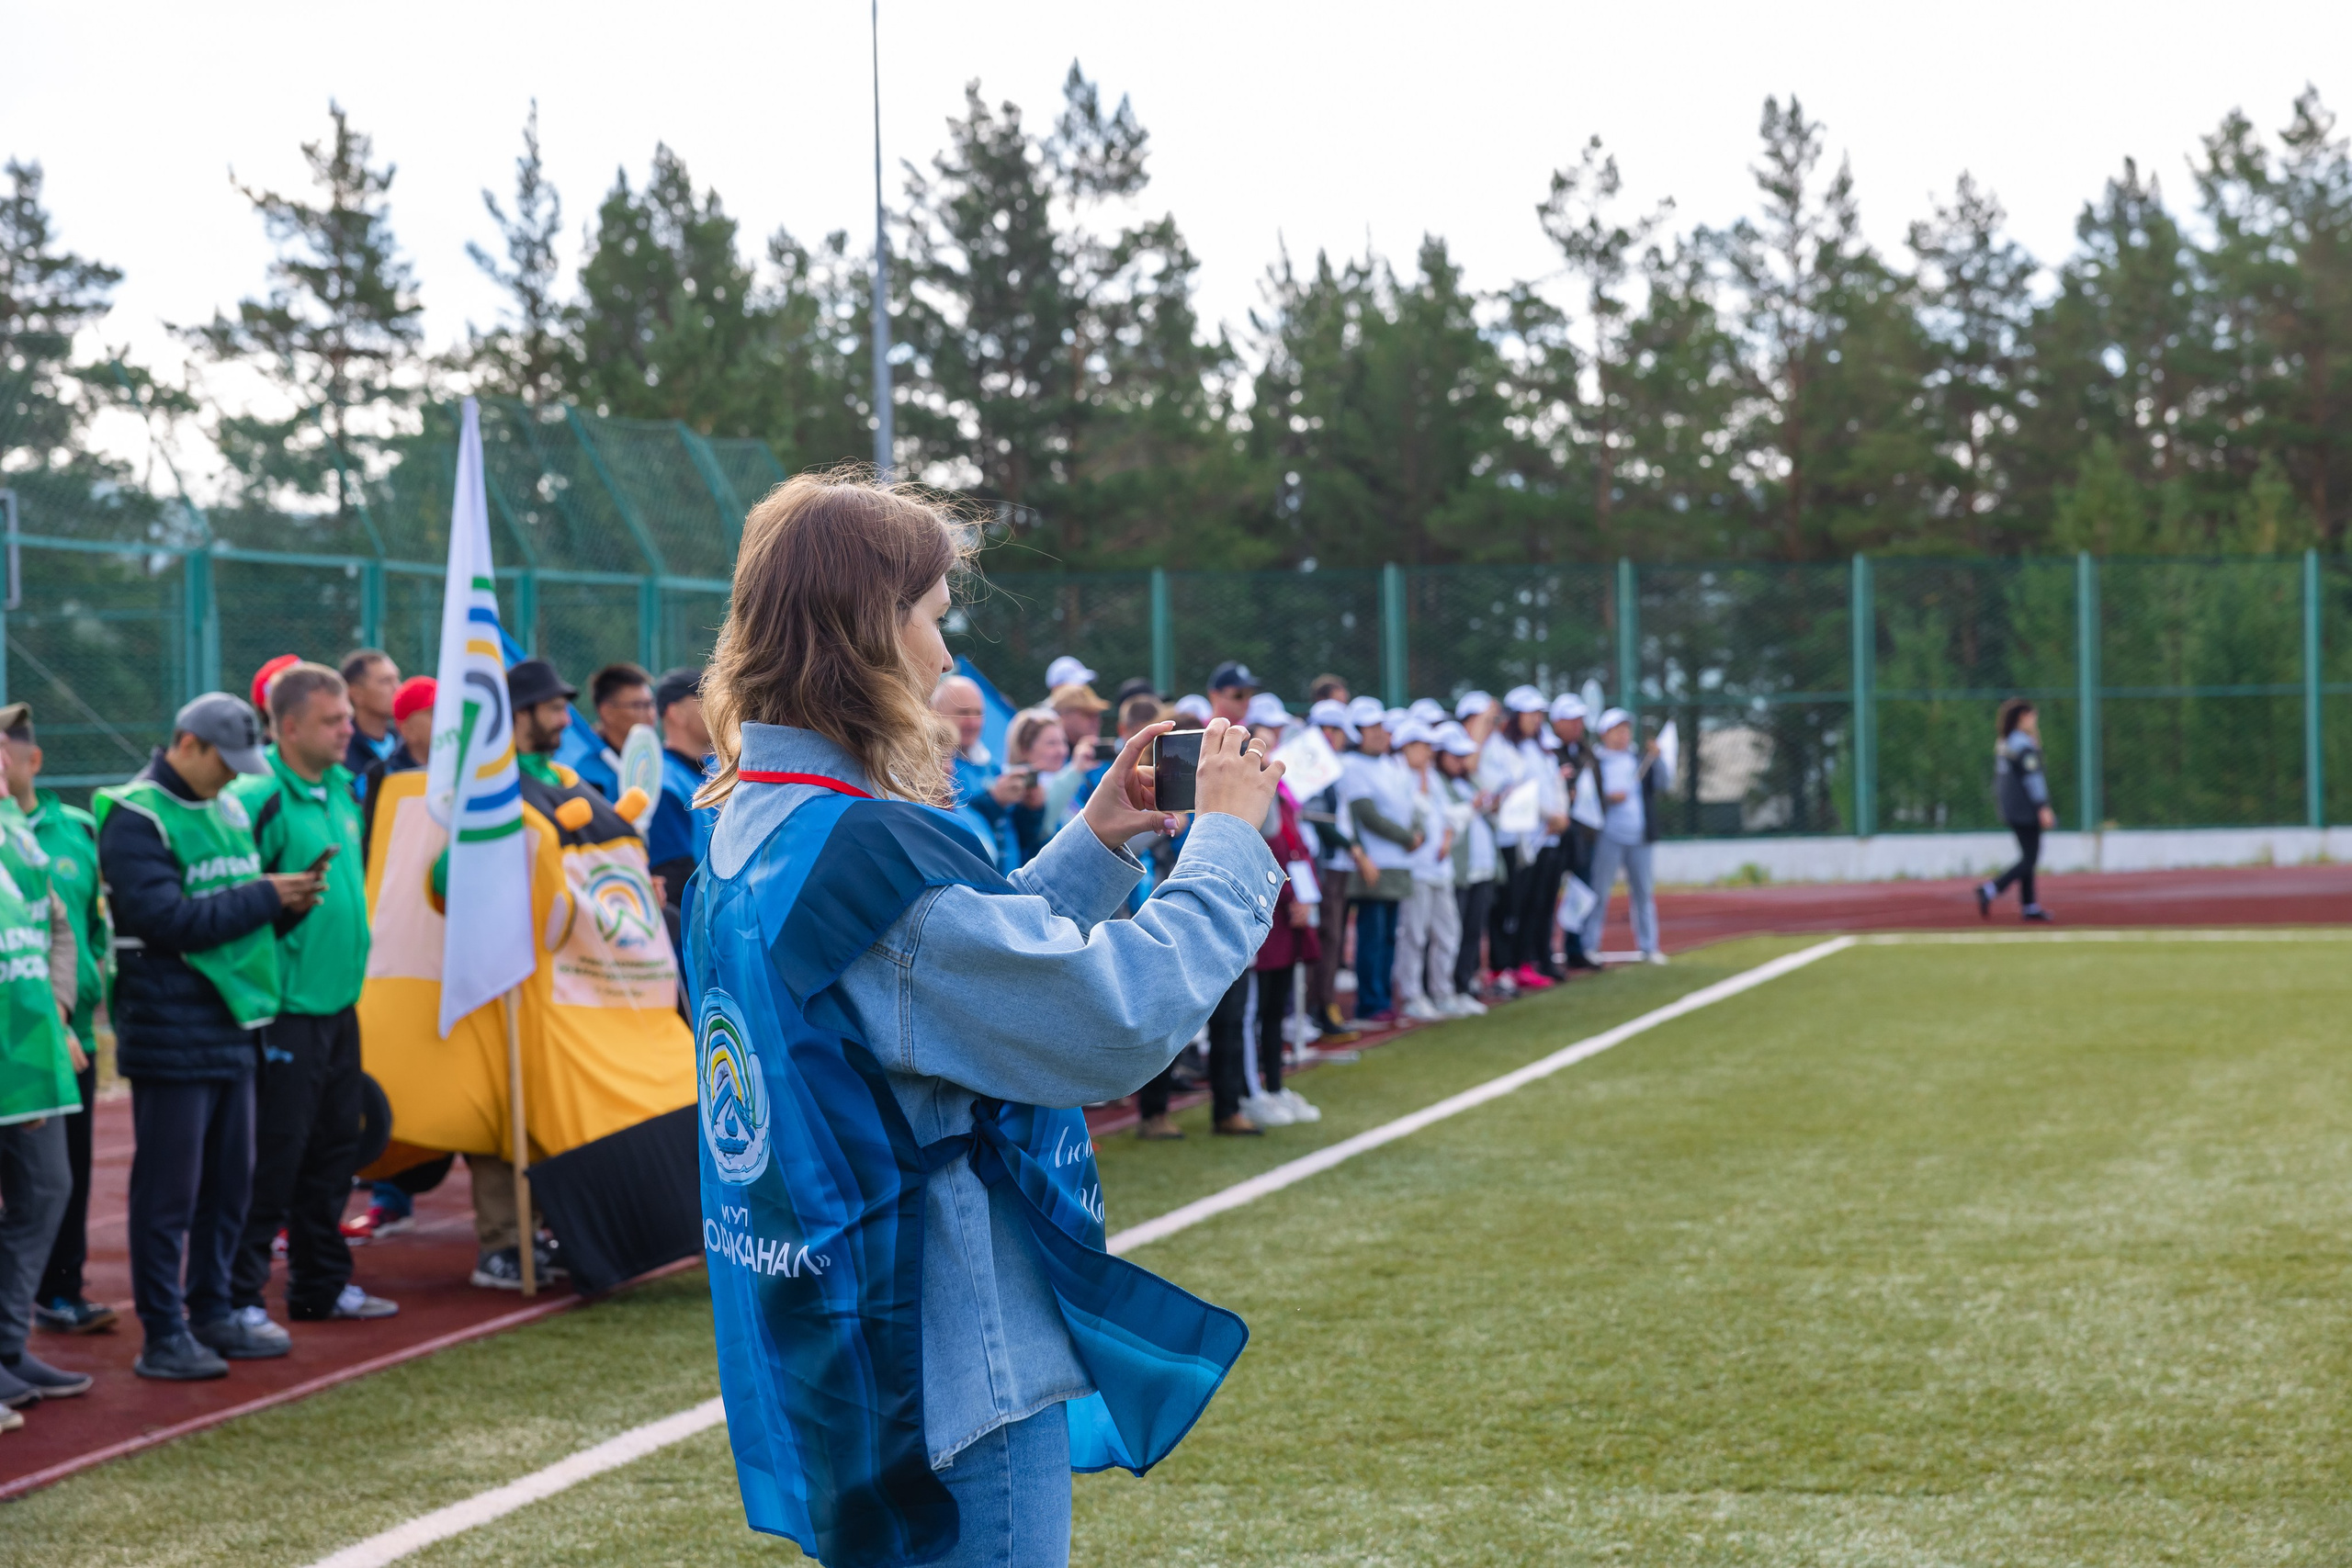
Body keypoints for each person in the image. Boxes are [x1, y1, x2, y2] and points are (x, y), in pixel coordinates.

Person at [687, 473, 1280, 1567]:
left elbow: (942, 987)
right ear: (866, 633)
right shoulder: (860, 848)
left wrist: (1097, 846)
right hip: (948, 1352)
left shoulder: (746, 823)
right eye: (930, 618)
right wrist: (1232, 845)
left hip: (843, 1327)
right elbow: (1111, 1023)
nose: (945, 657)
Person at [97, 694, 325, 1380]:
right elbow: (164, 921)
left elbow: (231, 919)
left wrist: (287, 905)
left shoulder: (227, 806)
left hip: (237, 1018)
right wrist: (265, 895)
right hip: (171, 1025)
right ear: (186, 743)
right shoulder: (134, 815)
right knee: (169, 1190)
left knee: (231, 1183)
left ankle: (215, 1309)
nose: (234, 777)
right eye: (224, 762)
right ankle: (163, 1332)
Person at [226, 664, 398, 1329]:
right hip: (285, 1011)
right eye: (333, 720)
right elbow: (236, 907)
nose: (348, 729)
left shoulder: (339, 786)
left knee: (334, 1149)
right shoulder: (256, 795)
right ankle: (239, 1297)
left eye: (347, 717)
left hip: (338, 1005)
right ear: (288, 725)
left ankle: (320, 1285)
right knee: (274, 1155)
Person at [11, 705, 119, 1338]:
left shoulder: (76, 826)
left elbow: (90, 930)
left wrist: (82, 998)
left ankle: (61, 1292)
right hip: (14, 1046)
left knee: (66, 1176)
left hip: (71, 1040)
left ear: (32, 761)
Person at [0, 726, 95, 1410]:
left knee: (46, 1192)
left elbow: (58, 925)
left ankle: (7, 1348)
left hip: (32, 1052)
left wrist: (57, 1015)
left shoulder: (18, 837)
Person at [1227, 699, 1322, 1130]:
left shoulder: (1283, 787)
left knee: (1274, 1007)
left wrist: (1304, 898)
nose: (1275, 739)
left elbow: (1295, 849)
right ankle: (1250, 1092)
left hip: (1287, 909)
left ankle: (1274, 1083)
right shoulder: (1246, 787)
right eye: (1267, 730)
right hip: (1262, 907)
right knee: (1252, 1010)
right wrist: (1289, 895)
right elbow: (1261, 848)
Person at [1340, 696, 1413, 1027]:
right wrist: (1407, 837)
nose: (1380, 733)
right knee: (1372, 935)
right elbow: (1366, 815)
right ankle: (1370, 1001)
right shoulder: (1352, 766)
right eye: (1371, 728)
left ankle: (1383, 996)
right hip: (1374, 861)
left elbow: (1410, 806)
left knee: (1388, 936)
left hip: (1398, 861)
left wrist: (1416, 832)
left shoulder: (1390, 764)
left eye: (1381, 727)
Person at [1579, 708, 1672, 965]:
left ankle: (1649, 946)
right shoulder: (1595, 761)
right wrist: (1608, 798)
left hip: (1639, 837)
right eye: (1616, 730)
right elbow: (1587, 798)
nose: (1622, 735)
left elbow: (1663, 784)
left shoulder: (1639, 759)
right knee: (1599, 892)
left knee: (1643, 893)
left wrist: (1659, 758)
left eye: (1626, 730)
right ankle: (1590, 945)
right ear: (1604, 734)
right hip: (1608, 837)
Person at [1483, 687, 1556, 994]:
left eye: (1539, 714)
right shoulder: (1497, 748)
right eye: (1530, 713)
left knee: (1527, 903)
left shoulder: (1534, 747)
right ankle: (1500, 968)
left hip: (1529, 838)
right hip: (1505, 837)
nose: (1536, 720)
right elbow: (1503, 790)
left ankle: (1518, 962)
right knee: (1504, 907)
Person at [1301, 698, 1363, 1044]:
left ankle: (1322, 1007)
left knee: (1332, 936)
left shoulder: (1326, 761)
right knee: (1324, 936)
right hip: (1320, 861)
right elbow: (1316, 817)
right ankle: (1315, 1009)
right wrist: (1351, 846)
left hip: (1329, 861)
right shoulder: (1311, 762)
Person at [1388, 720, 1459, 1021]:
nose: (1429, 752)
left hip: (1441, 869)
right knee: (1414, 934)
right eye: (1423, 746)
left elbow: (1447, 818)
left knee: (1448, 932)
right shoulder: (1397, 777)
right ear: (1407, 746)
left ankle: (1443, 992)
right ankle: (1412, 995)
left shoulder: (1435, 778)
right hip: (1415, 870)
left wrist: (1447, 838)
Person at [1435, 724, 1496, 1014]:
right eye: (1455, 756)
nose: (1461, 762)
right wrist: (1474, 806)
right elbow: (1451, 820)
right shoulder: (1438, 783)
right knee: (1451, 933)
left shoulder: (1468, 781)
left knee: (1472, 931)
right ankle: (1450, 987)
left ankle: (1464, 983)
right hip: (1459, 870)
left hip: (1481, 868)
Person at [1978, 698, 2056, 922]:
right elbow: (2033, 779)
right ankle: (1991, 889)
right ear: (2024, 717)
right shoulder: (2023, 745)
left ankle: (2029, 905)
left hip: (2011, 806)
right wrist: (2042, 806)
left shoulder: (2005, 743)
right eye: (2033, 717)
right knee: (2030, 858)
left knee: (2028, 856)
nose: (2035, 722)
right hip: (2025, 807)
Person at [933, 674, 1021, 869]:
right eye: (963, 713)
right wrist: (993, 802)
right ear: (936, 713)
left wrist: (1033, 808)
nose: (973, 723)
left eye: (978, 713)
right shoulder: (935, 773)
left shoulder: (993, 767)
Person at [648, 667, 713, 907]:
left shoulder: (715, 771)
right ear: (676, 713)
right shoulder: (663, 784)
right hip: (691, 935)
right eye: (705, 698)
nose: (718, 706)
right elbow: (677, 886)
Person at [1549, 694, 1602, 972]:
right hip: (1555, 834)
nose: (1578, 725)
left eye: (1580, 719)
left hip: (1583, 834)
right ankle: (1544, 952)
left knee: (1581, 889)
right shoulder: (1547, 750)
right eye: (1571, 719)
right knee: (1546, 893)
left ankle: (1575, 947)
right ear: (1557, 722)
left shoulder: (1586, 752)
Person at [572, 662, 656, 800]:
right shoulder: (590, 778)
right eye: (638, 705)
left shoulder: (658, 764)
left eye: (650, 704)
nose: (650, 714)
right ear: (607, 712)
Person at [338, 649, 402, 779]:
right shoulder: (340, 750)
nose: (397, 688)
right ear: (356, 694)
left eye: (397, 679)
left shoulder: (406, 743)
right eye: (386, 681)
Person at [1046, 681, 1110, 768]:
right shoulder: (1050, 757)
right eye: (1088, 713)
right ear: (1063, 716)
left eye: (1097, 714)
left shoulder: (1101, 757)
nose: (1097, 720)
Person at [1205, 661, 1257, 727]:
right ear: (1214, 696)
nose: (1246, 701)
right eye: (1238, 695)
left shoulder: (1252, 732)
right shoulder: (1195, 729)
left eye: (1250, 694)